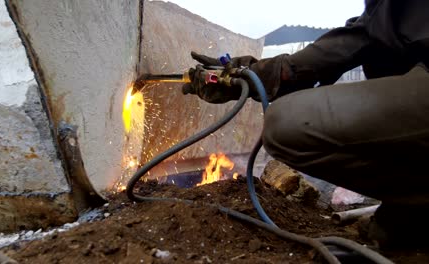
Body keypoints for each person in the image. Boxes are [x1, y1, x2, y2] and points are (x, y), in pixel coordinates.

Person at [182, 0, 429, 249]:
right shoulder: (388, 12)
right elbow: (351, 43)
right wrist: (245, 75)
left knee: (286, 124)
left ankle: (415, 208)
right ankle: (410, 211)